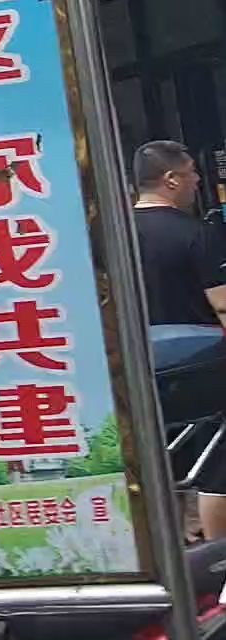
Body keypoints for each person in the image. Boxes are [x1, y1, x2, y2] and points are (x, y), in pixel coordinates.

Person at [132, 140, 226, 539]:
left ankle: (169, 551)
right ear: (171, 180)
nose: (198, 180)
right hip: (199, 367)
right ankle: (218, 556)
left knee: (156, 463)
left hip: (135, 368)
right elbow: (222, 304)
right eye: (191, 172)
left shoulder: (107, 235)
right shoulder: (196, 234)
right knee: (218, 467)